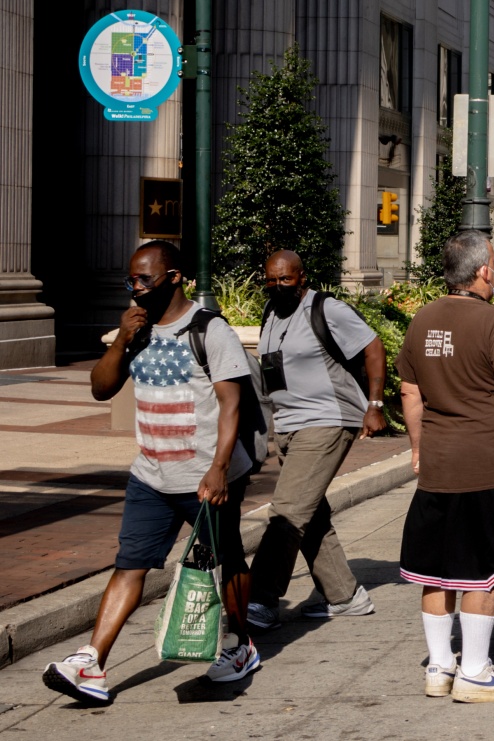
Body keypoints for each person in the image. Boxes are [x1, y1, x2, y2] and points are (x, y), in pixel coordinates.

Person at [44, 241, 262, 703]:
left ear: (176, 277)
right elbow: (102, 389)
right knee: (129, 565)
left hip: (205, 477)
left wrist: (220, 468)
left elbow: (231, 405)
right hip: (150, 474)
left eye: (146, 279)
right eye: (132, 280)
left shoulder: (210, 330)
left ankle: (240, 645)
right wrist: (122, 339)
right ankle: (92, 665)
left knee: (226, 560)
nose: (137, 288)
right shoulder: (136, 331)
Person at [396, 230, 494, 703]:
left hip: (440, 465)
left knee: (436, 570)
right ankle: (477, 671)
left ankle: (440, 666)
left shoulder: (422, 319)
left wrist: (419, 448)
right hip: (490, 464)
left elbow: (410, 393)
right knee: (484, 570)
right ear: (484, 270)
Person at [245, 250, 389, 629]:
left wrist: (374, 404)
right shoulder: (270, 314)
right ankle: (345, 595)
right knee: (310, 511)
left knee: (287, 512)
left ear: (302, 278)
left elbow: (374, 348)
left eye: (285, 279)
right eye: (271, 279)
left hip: (327, 420)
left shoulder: (327, 309)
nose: (277, 286)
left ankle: (260, 597)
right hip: (289, 425)